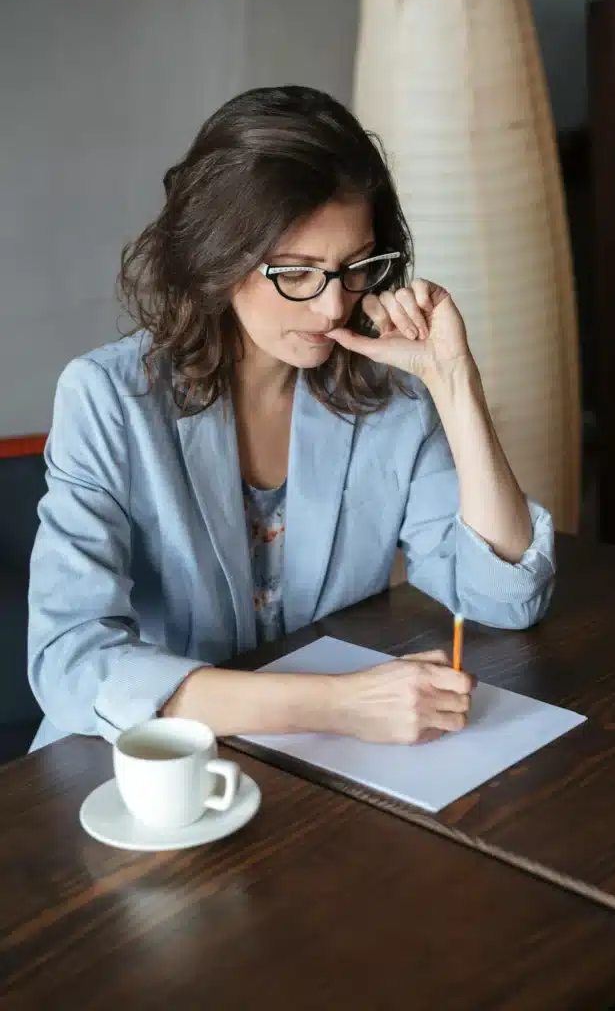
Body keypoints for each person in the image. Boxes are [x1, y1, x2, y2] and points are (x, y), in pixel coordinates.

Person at [27, 85, 555, 753]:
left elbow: (504, 598)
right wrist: (337, 704)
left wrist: (454, 380)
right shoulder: (106, 400)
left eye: (354, 266)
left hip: (311, 771)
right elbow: (70, 661)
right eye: (298, 273)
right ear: (222, 260)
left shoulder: (387, 401)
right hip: (139, 767)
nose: (334, 306)